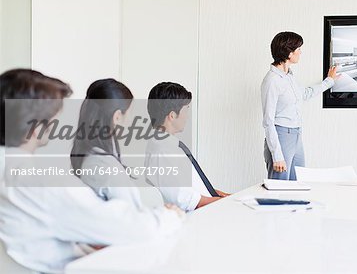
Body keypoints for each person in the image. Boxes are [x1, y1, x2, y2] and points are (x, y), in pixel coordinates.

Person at [0, 69, 184, 274]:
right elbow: (131, 227)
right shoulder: (42, 182)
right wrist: (169, 215)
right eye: (53, 117)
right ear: (35, 127)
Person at [261, 32, 340, 180]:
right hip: (281, 136)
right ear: (289, 53)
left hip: (296, 135)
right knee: (280, 188)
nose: (300, 52)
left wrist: (329, 81)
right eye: (298, 49)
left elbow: (305, 94)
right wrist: (277, 155)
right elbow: (268, 121)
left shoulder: (289, 77)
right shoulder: (272, 81)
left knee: (298, 184)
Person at [145, 82, 229, 212]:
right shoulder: (163, 151)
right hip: (198, 220)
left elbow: (194, 191)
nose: (187, 116)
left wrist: (223, 196)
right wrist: (231, 202)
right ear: (172, 115)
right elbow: (189, 201)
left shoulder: (168, 145)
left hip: (207, 210)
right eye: (186, 109)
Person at [71, 79, 141, 207]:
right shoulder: (104, 166)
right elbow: (132, 217)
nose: (132, 119)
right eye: (130, 113)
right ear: (117, 116)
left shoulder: (92, 157)